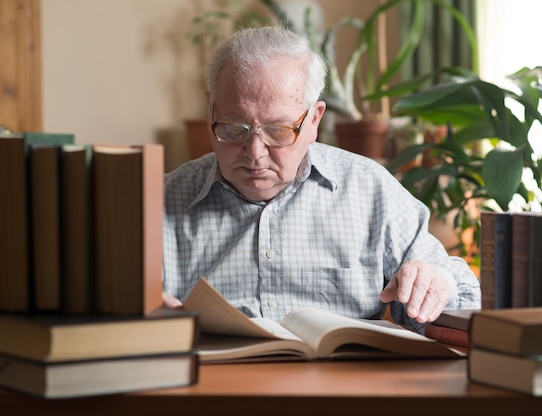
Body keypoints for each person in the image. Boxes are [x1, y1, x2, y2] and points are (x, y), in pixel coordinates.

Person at [161, 26, 480, 333]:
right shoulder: (161, 200)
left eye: (278, 131)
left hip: (343, 383)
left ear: (313, 120)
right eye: (234, 127)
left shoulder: (368, 189)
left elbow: (466, 292)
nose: (255, 152)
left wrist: (436, 283)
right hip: (215, 384)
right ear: (210, 110)